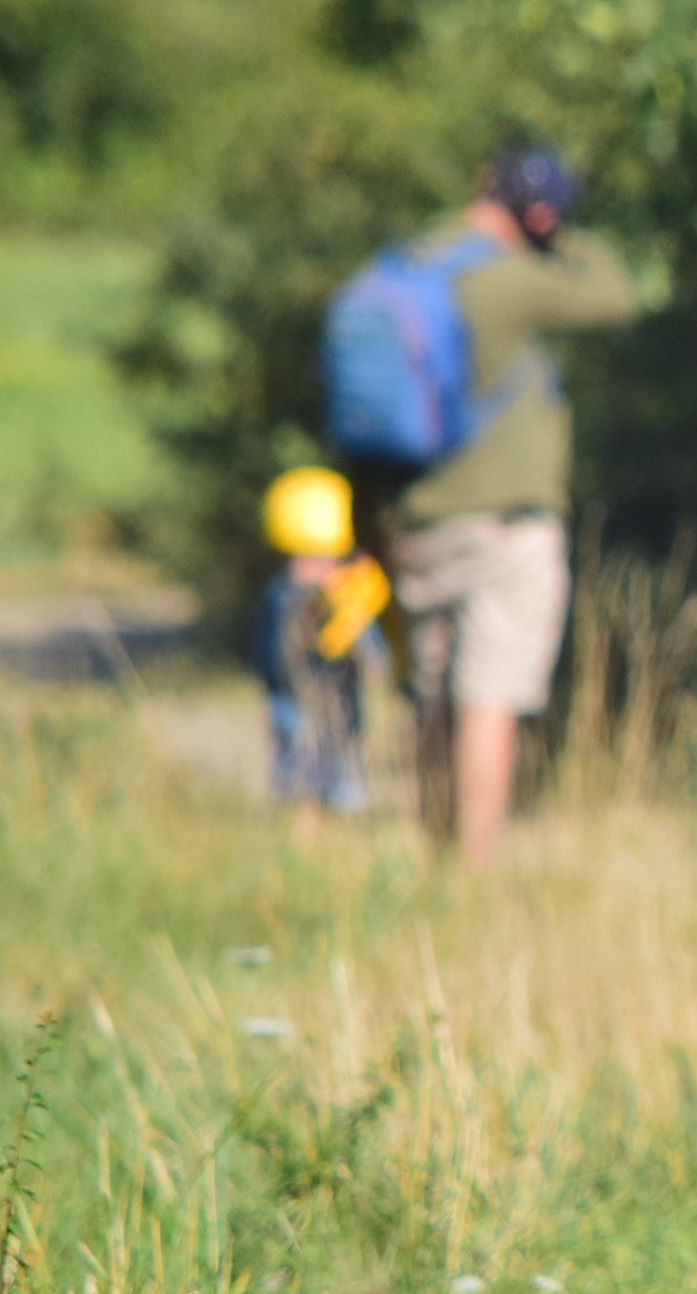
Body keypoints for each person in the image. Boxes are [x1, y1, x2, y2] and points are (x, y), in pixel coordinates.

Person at [376, 146, 638, 870]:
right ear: (540, 214)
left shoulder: (414, 264)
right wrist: (563, 237)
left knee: (432, 697)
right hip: (503, 524)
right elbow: (617, 296)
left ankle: (433, 854)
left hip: (418, 521)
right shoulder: (510, 280)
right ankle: (475, 868)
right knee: (488, 697)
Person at [253, 466, 390, 828]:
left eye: (322, 560)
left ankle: (325, 835)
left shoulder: (348, 597)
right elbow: (266, 659)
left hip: (341, 714)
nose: (312, 571)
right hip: (293, 710)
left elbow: (375, 657)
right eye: (303, 560)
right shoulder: (280, 595)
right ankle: (306, 834)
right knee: (301, 782)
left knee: (342, 785)